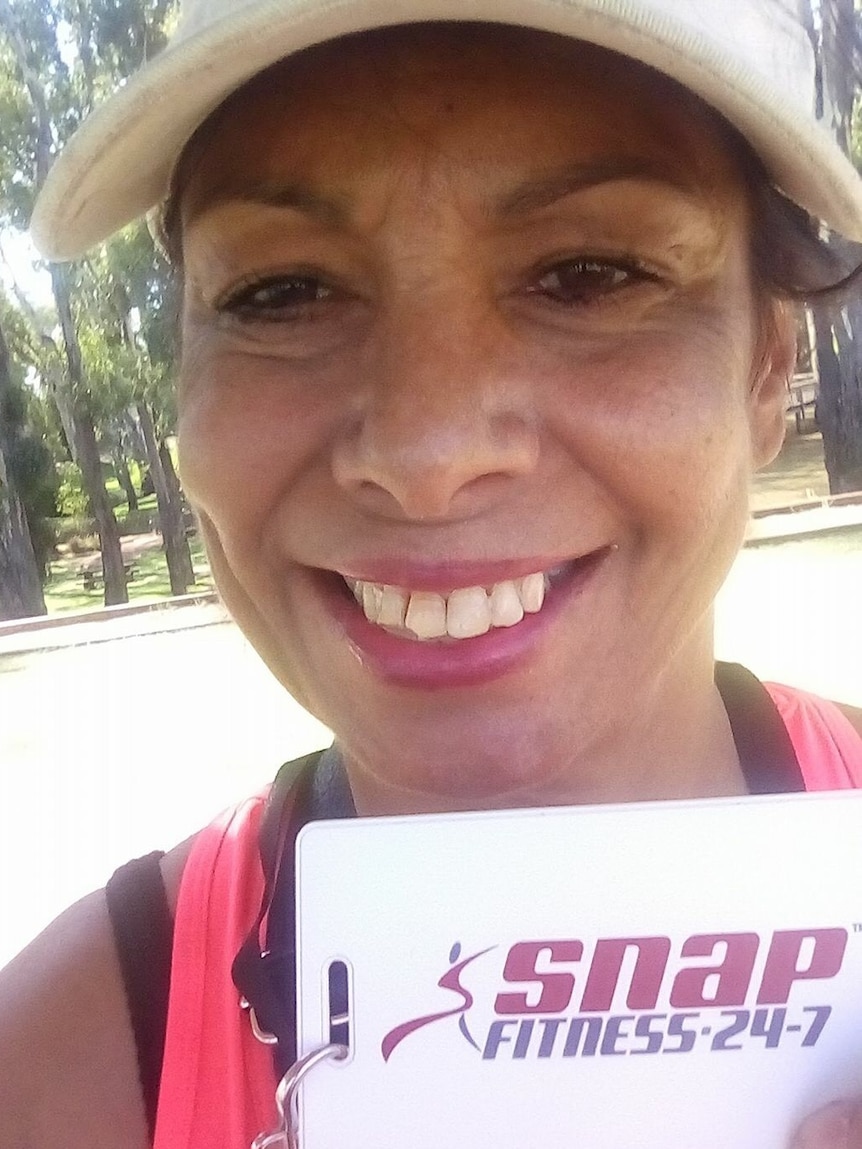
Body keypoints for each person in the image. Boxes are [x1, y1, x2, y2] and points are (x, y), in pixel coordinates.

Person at [3, 0, 862, 1146]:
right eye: (281, 291)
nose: (425, 453)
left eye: (589, 272)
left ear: (766, 369)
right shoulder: (74, 1061)